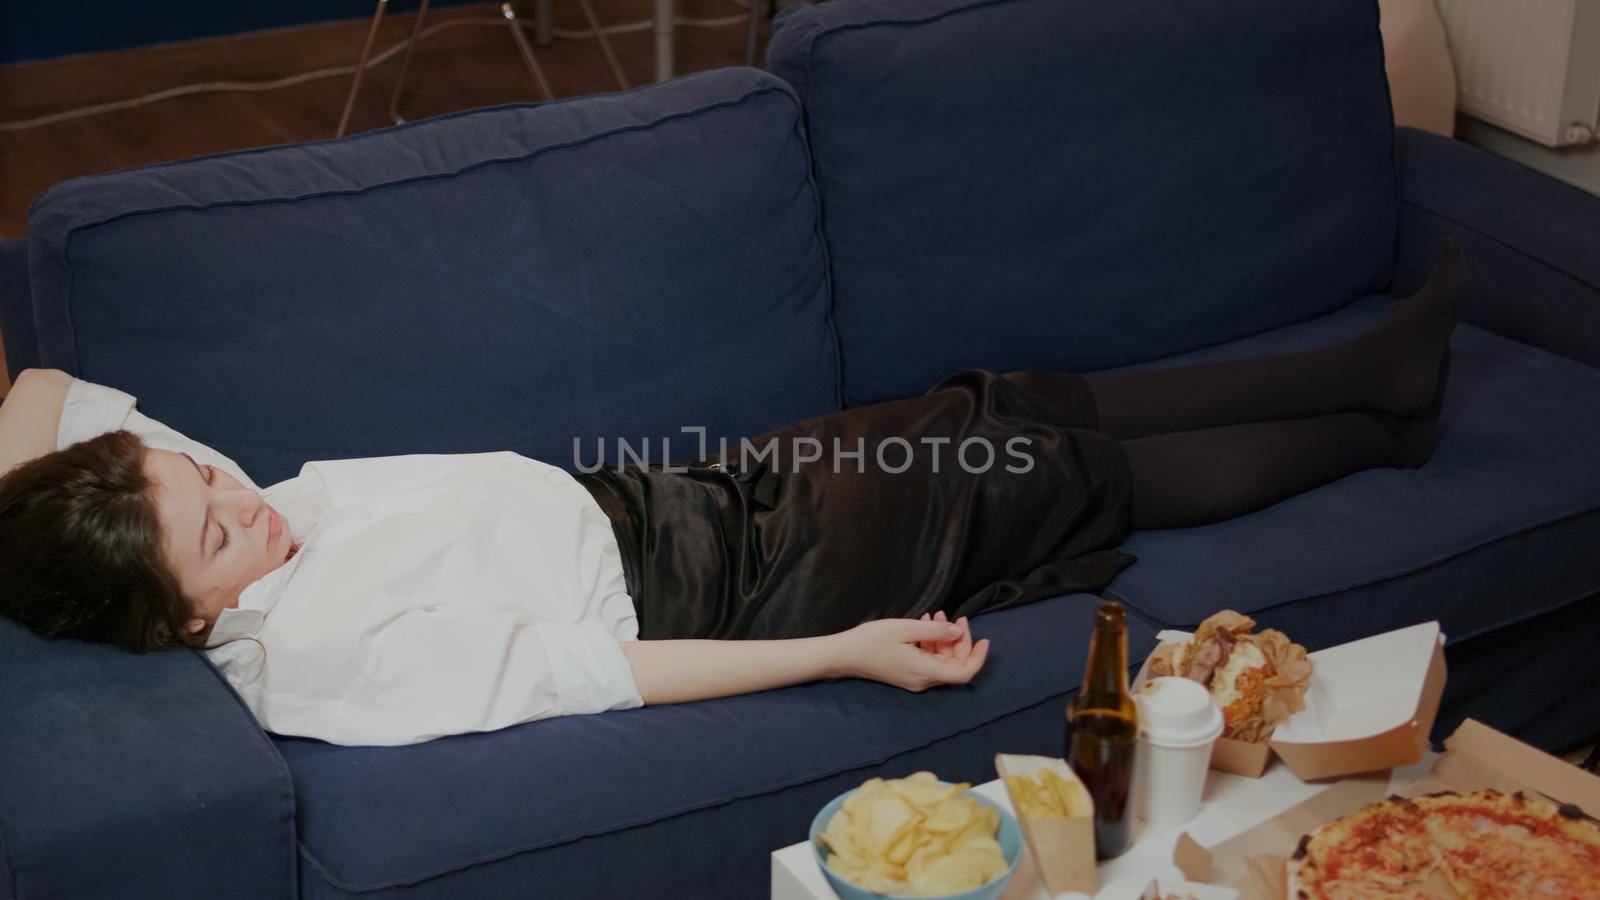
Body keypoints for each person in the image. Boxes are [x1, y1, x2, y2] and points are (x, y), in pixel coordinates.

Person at [0, 241, 1464, 746]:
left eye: (198, 473)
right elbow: (602, 674)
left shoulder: (209, 540)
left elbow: (44, 409)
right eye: (207, 524)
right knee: (1043, 469)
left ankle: (1373, 375)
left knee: (1006, 414)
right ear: (170, 624)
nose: (234, 492)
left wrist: (124, 508)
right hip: (736, 579)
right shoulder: (312, 656)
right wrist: (842, 650)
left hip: (682, 496)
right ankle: (1381, 414)